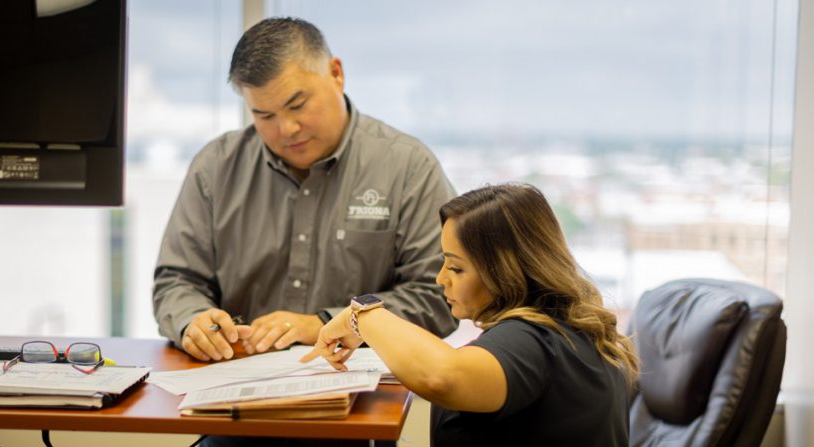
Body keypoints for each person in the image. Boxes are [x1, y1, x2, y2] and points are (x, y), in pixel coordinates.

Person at [153, 16, 457, 364]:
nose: (287, 129)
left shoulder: (408, 167)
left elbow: (439, 296)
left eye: (297, 105)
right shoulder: (215, 167)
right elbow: (176, 281)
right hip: (234, 382)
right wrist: (193, 319)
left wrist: (325, 323)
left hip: (361, 389)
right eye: (264, 115)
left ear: (336, 74)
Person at [302, 183, 640, 447]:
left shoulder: (532, 339)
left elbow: (442, 377)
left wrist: (362, 315)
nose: (440, 278)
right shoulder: (570, 329)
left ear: (504, 270)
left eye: (456, 267)